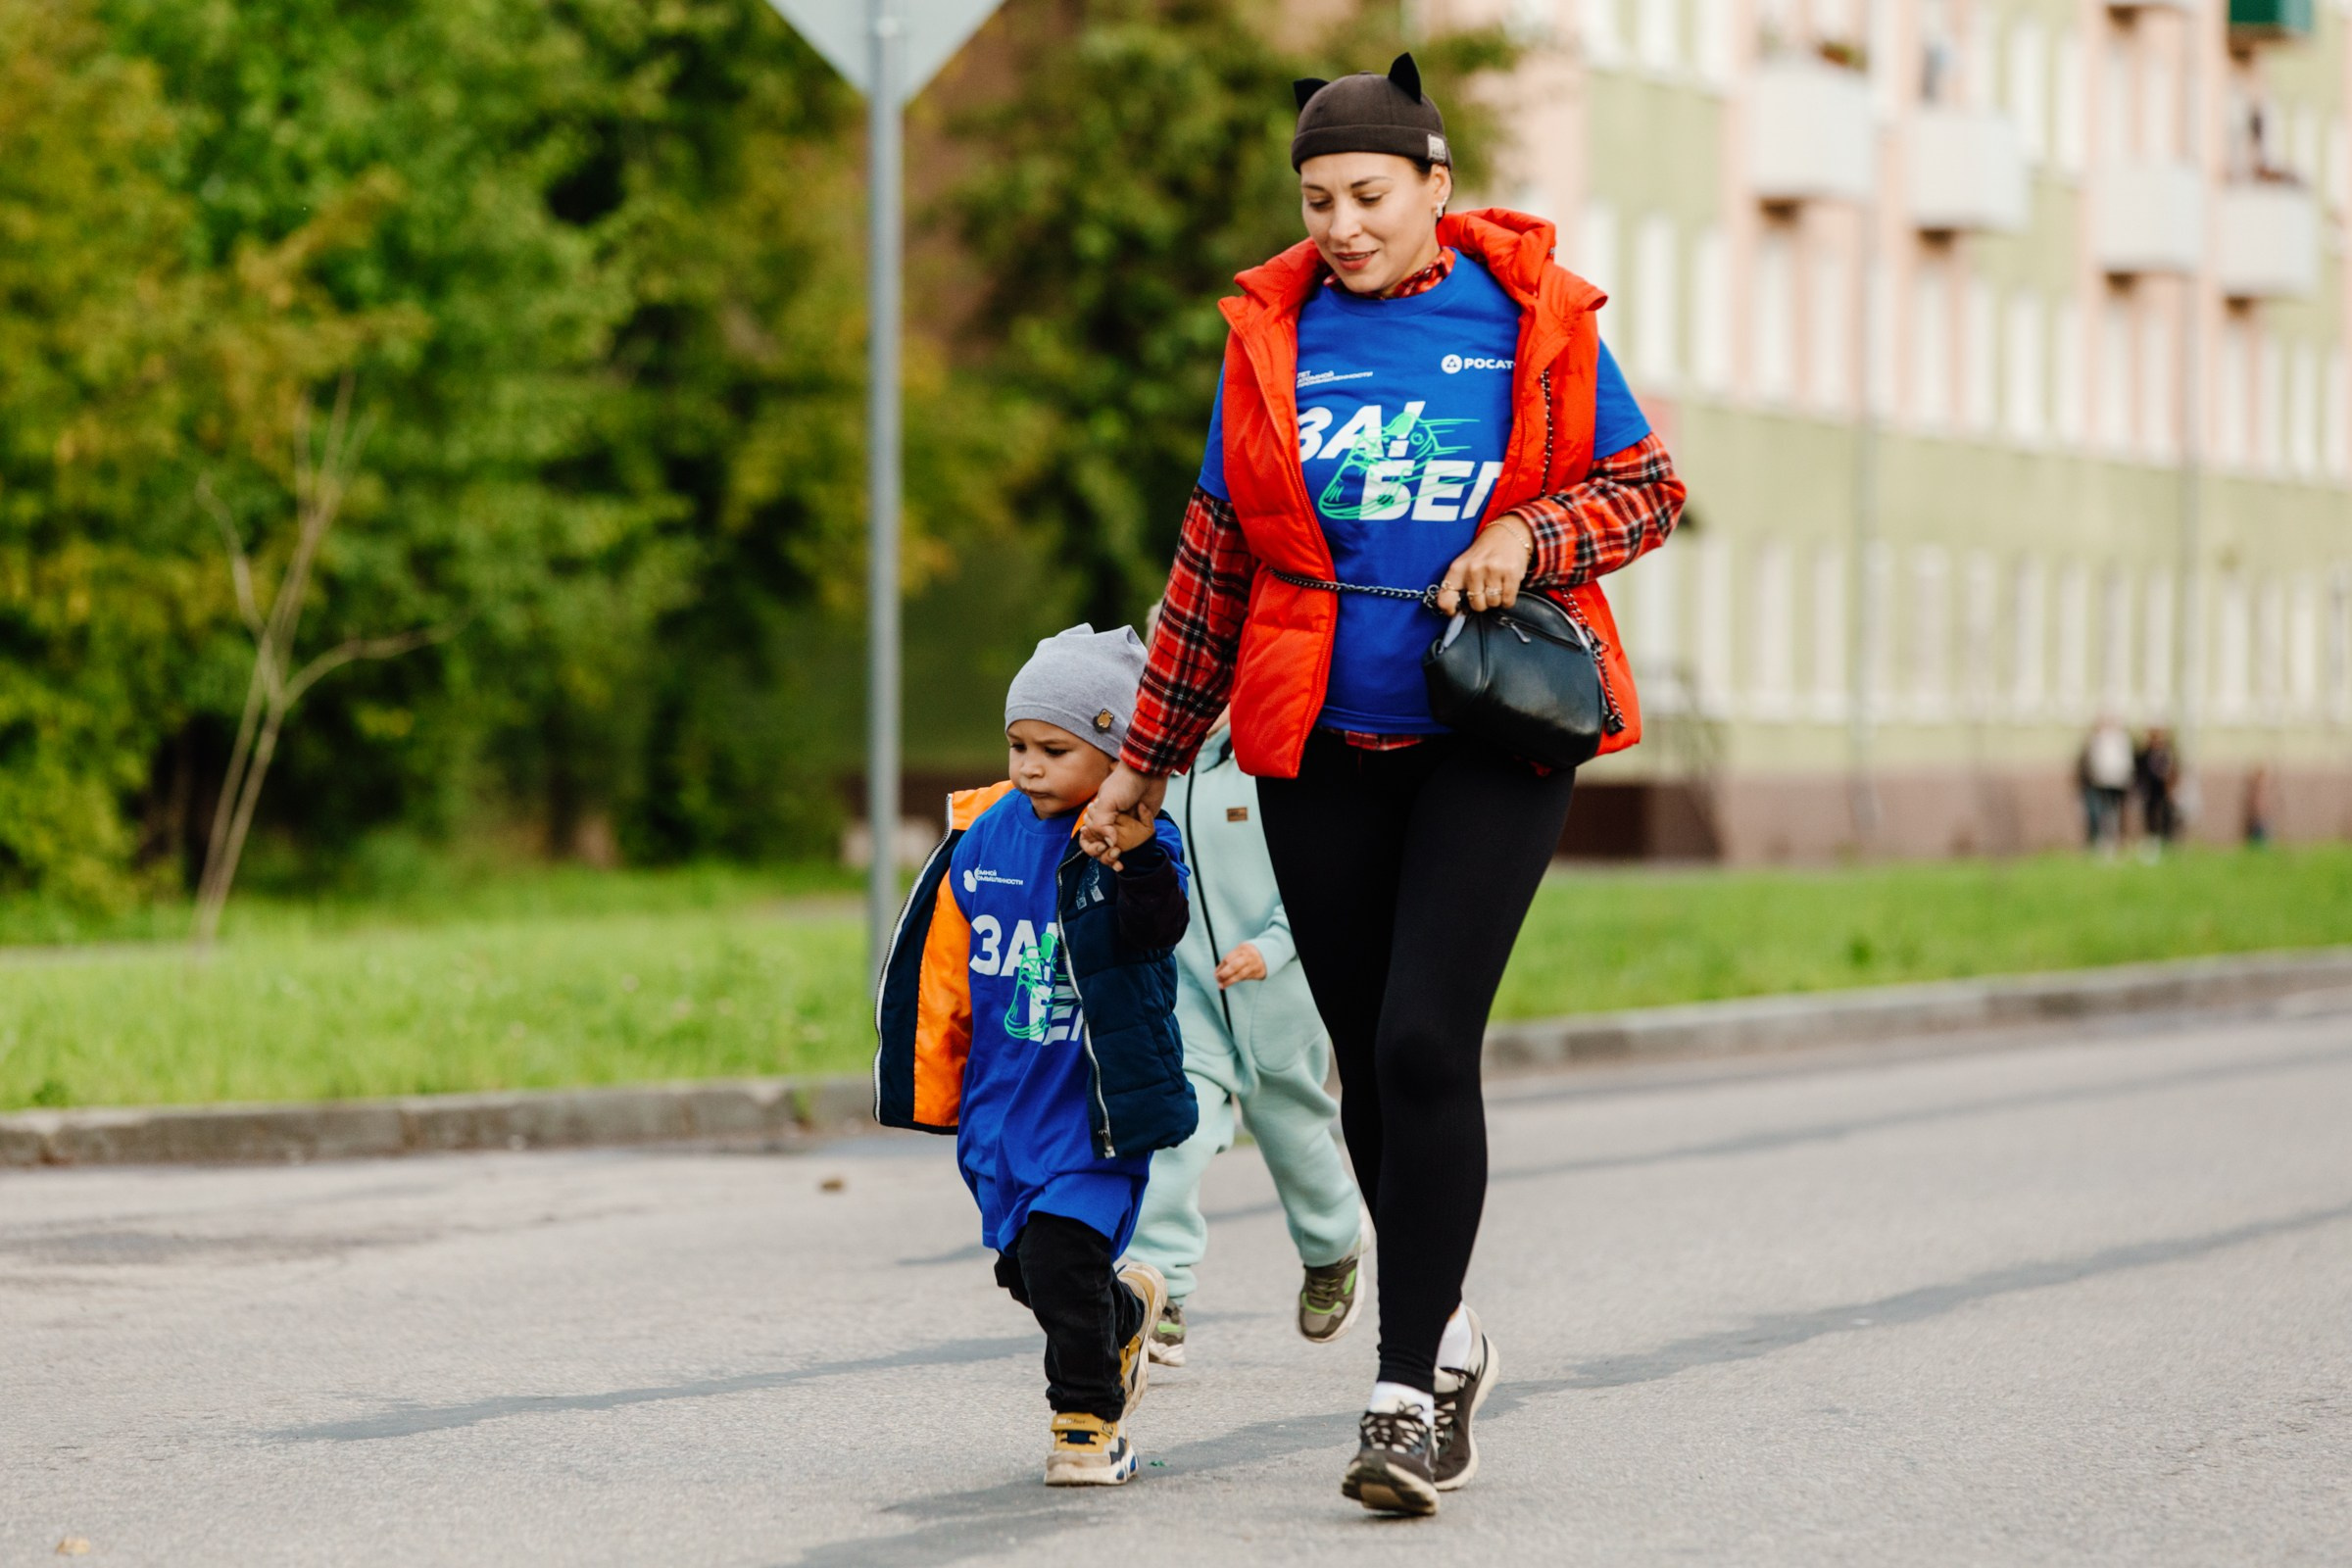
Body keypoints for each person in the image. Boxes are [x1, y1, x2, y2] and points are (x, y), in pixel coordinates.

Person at [1078, 56, 1686, 1516]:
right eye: (1316, 199)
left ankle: (1404, 1395)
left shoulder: (1532, 316)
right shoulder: (1272, 334)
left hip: (1493, 733)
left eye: (1366, 194)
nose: (1342, 224)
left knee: (1425, 1043)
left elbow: (1651, 487)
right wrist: (1146, 766)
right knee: (1366, 1065)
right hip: (1319, 744)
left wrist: (1534, 538)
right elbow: (1216, 558)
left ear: (1434, 186)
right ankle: (1451, 1327)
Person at [872, 624, 1199, 1487]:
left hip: (1092, 1110)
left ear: (1118, 753)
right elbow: (941, 960)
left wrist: (1132, 863)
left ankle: (1087, 1422)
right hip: (1003, 1107)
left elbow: (1159, 929)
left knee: (1062, 1259)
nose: (1029, 766)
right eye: (1018, 745)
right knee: (1028, 1267)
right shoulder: (985, 834)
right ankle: (1124, 1312)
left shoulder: (1138, 840)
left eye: (1056, 749)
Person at [1126, 696, 1367, 1370]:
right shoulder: (1148, 772)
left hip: (1277, 991)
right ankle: (1157, 1288)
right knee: (1177, 1130)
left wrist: (1276, 945)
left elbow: (1322, 871)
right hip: (1189, 994)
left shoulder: (1276, 762)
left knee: (1292, 1132)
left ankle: (1334, 1244)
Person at [2081, 715, 2133, 854]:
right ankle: (2105, 840)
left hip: (2118, 781)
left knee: (2118, 812)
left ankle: (2118, 840)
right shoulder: (2097, 740)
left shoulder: (2121, 740)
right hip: (2102, 782)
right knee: (2104, 811)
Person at [2135, 727, 2179, 853]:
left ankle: (2167, 840)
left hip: (2165, 790)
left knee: (2167, 814)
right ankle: (2152, 840)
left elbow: (2173, 771)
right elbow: (2141, 772)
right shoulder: (2145, 754)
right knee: (2150, 814)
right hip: (2150, 790)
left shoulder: (2167, 753)